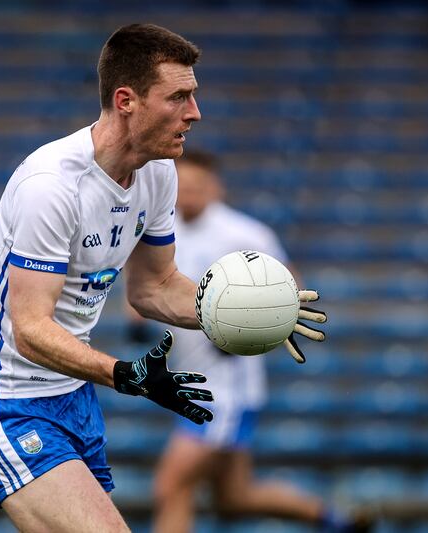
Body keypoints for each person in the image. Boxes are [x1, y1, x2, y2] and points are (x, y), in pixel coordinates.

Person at [0, 24, 326, 532]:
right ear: (126, 100)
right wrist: (125, 374)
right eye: (179, 97)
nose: (195, 113)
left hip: (71, 396)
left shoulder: (158, 172)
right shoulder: (51, 187)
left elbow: (155, 287)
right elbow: (29, 330)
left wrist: (253, 313)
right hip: (4, 400)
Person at [149, 151, 372, 533]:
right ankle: (335, 519)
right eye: (181, 185)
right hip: (189, 380)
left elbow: (295, 294)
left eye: (198, 185)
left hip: (224, 390)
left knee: (172, 486)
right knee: (234, 498)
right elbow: (151, 289)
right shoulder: (166, 232)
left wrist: (246, 327)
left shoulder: (244, 234)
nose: (188, 193)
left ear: (216, 188)